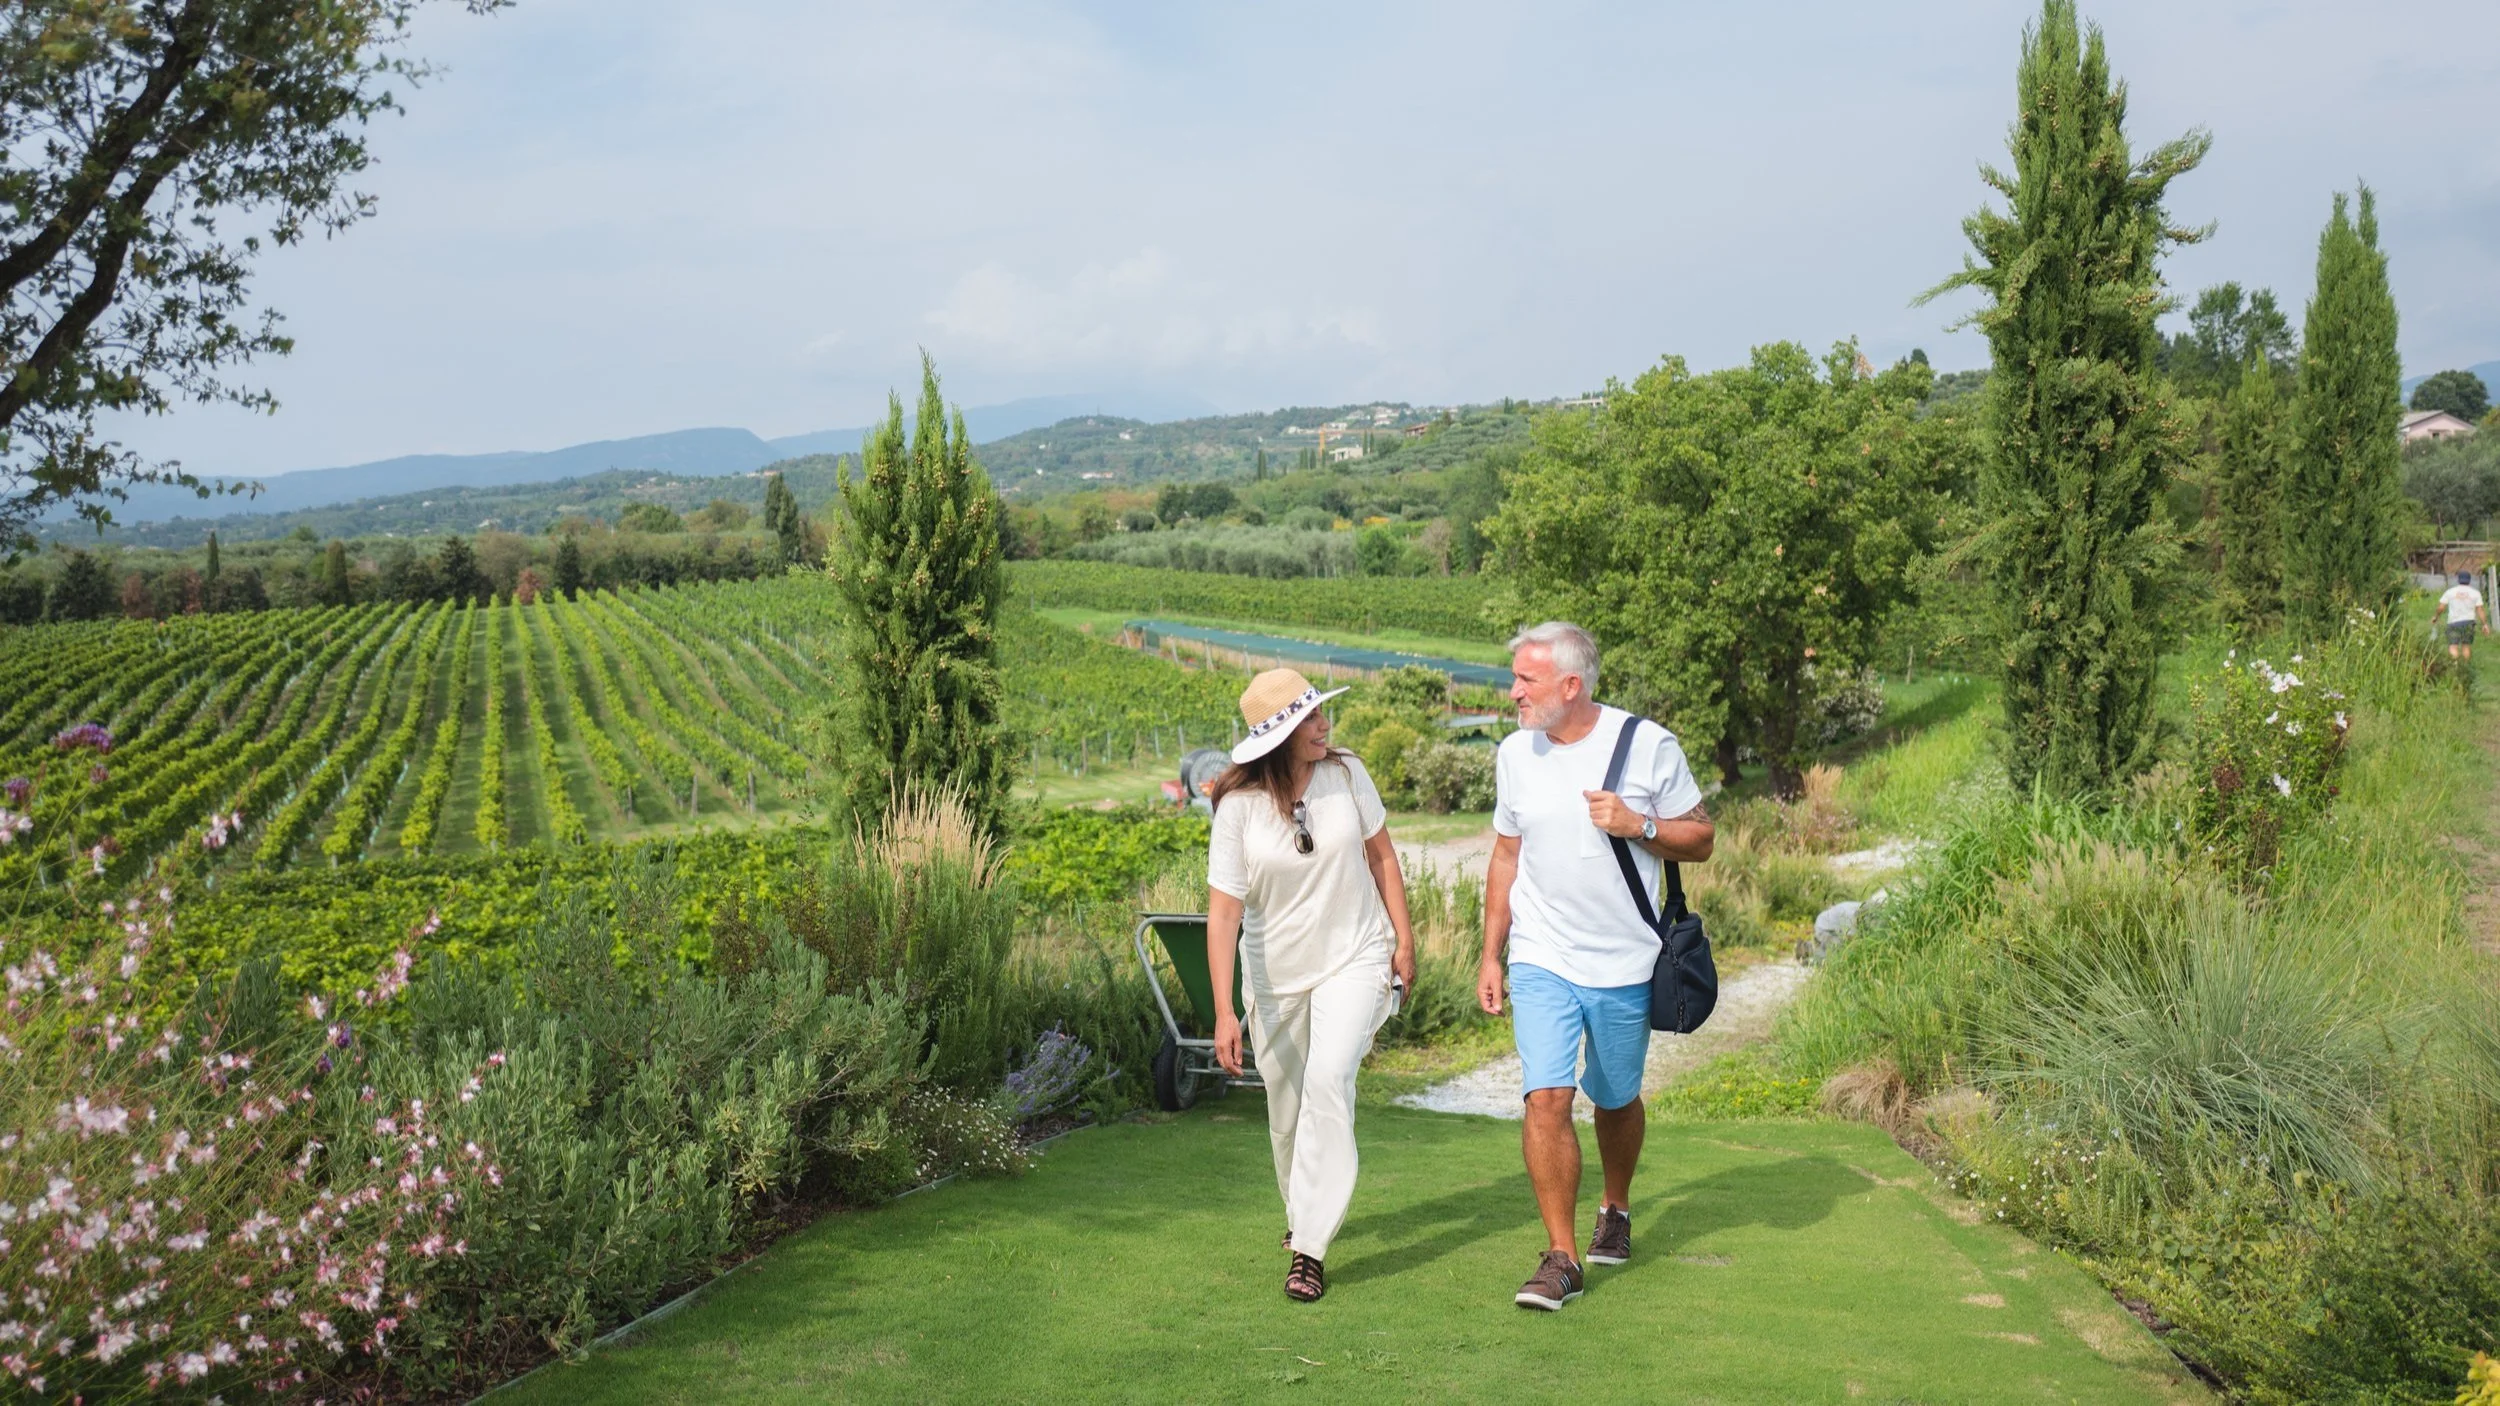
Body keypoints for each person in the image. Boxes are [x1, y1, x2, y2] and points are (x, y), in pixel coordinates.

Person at [1477, 621, 1713, 1311]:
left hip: (1624, 960)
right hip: (1541, 955)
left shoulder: (1649, 745)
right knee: (1546, 1098)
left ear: (1571, 684)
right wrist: (1491, 953)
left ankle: (1616, 1204)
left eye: (1527, 679)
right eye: (1515, 678)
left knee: (1615, 1098)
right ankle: (1562, 1257)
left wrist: (1640, 825)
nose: (1514, 691)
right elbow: (1506, 855)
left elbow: (1701, 838)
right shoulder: (1515, 753)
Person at [1206, 667, 1419, 1303]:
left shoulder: (1347, 775)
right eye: (1311, 719)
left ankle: (1310, 1249)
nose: (1325, 725)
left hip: (1355, 955)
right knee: (1287, 1110)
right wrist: (1224, 1011)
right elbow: (1224, 914)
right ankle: (1301, 1212)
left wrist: (1404, 939)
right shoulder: (1238, 808)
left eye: (1322, 713)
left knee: (1329, 1080)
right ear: (1279, 737)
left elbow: (1382, 857)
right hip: (1275, 975)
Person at [2440, 570, 2486, 662]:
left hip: (2453, 623)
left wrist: (2436, 616)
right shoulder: (2475, 593)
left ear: (2458, 580)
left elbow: (2441, 607)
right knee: (2466, 646)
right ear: (2469, 580)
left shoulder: (2450, 592)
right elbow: (2480, 609)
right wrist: (2484, 624)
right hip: (2469, 623)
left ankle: (2455, 665)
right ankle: (2465, 666)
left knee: (2453, 646)